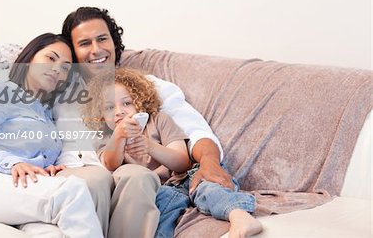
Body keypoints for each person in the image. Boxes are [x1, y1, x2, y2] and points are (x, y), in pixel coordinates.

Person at [0, 7, 235, 238]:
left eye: (102, 39)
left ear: (114, 42)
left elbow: (195, 131)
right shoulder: (59, 84)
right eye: (84, 43)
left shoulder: (146, 86)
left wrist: (210, 162)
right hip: (74, 173)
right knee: (94, 178)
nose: (96, 49)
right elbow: (16, 82)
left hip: (125, 170)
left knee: (138, 177)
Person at [0, 33, 103, 238]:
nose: (56, 69)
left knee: (55, 234)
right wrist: (14, 163)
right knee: (72, 191)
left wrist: (46, 168)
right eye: (50, 58)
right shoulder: (2, 92)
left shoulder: (47, 114)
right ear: (30, 58)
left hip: (16, 189)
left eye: (65, 68)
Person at [84, 67, 262, 238]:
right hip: (161, 191)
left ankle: (238, 214)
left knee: (209, 187)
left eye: (127, 103)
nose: (119, 111)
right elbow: (110, 163)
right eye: (109, 108)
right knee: (160, 221)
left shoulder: (159, 120)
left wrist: (150, 147)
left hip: (185, 178)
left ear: (140, 102)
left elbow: (182, 161)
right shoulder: (106, 138)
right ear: (99, 115)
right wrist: (118, 137)